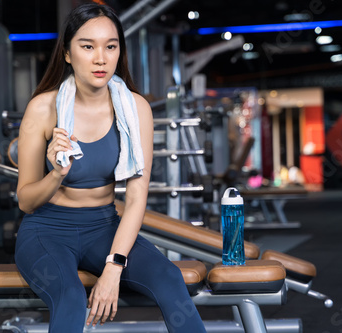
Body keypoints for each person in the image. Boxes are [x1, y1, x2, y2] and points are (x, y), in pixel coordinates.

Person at [14, 3, 207, 333]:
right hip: (46, 231)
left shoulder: (135, 109)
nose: (100, 58)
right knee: (71, 297)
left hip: (104, 227)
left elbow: (135, 200)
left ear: (120, 51)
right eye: (87, 46)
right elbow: (26, 201)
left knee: (168, 276)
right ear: (68, 53)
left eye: (111, 46)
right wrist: (56, 173)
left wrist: (114, 269)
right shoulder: (43, 108)